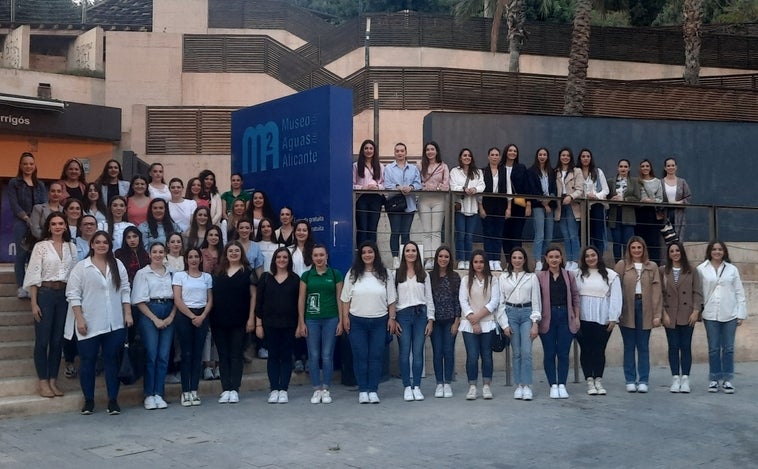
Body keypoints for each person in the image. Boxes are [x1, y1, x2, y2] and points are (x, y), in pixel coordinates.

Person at [65, 231, 133, 415]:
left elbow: (125, 290)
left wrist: (127, 313)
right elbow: (73, 294)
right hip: (89, 321)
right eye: (98, 242)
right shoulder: (82, 267)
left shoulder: (117, 265)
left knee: (112, 361)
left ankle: (113, 400)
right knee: (88, 361)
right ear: (92, 245)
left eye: (105, 242)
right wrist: (79, 319)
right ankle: (88, 401)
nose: (102, 245)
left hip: (115, 322)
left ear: (110, 245)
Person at [23, 212, 78, 398]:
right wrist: (33, 303)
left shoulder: (71, 247)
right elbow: (33, 275)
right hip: (45, 294)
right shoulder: (41, 247)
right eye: (53, 223)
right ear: (49, 226)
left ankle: (53, 381)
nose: (57, 226)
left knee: (57, 341)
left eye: (60, 223)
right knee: (43, 340)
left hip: (63, 295)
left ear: (65, 226)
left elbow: (75, 275)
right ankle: (43, 381)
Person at [340, 241, 398, 404]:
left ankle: (373, 390)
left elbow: (391, 299)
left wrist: (392, 318)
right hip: (357, 322)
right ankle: (363, 389)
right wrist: (345, 318)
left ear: (375, 254)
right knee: (360, 356)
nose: (367, 255)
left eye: (370, 252)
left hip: (380, 321)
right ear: (360, 255)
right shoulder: (353, 273)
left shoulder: (385, 273)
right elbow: (345, 298)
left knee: (376, 356)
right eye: (364, 252)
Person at [614, 236, 662, 393]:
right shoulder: (622, 265)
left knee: (643, 346)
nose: (636, 250)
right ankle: (629, 379)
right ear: (629, 249)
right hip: (627, 307)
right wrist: (616, 311)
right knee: (629, 346)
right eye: (633, 248)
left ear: (644, 249)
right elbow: (615, 289)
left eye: (639, 247)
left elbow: (657, 291)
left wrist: (657, 314)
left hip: (646, 307)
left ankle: (643, 380)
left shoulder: (652, 266)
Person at [697, 241, 747, 394]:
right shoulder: (701, 269)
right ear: (709, 251)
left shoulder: (732, 269)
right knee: (713, 348)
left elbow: (739, 292)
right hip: (710, 313)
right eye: (714, 249)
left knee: (729, 348)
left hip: (729, 313)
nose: (717, 252)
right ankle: (714, 379)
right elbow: (697, 291)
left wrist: (741, 313)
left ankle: (727, 379)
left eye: (720, 249)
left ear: (724, 252)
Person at [297, 244, 344, 404]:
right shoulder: (306, 276)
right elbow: (301, 300)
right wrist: (301, 322)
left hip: (331, 319)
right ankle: (316, 389)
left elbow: (340, 298)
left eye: (321, 255)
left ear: (326, 256)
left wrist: (341, 320)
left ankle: (326, 389)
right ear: (312, 257)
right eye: (316, 255)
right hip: (312, 319)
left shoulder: (335, 274)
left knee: (327, 355)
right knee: (314, 355)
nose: (319, 258)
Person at [131, 242, 176, 410]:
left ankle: (159, 392)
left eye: (161, 252)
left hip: (169, 310)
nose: (158, 255)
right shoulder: (143, 273)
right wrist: (155, 319)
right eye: (154, 252)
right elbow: (138, 300)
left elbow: (178, 296)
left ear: (165, 254)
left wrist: (171, 316)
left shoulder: (172, 273)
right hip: (150, 311)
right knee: (152, 354)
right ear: (149, 254)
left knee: (164, 355)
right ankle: (149, 394)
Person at [212, 241, 257, 404]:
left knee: (236, 355)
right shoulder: (218, 272)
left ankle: (235, 389)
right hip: (219, 320)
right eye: (230, 251)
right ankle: (226, 389)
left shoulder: (248, 272)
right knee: (223, 356)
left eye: (236, 250)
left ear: (241, 253)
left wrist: (251, 318)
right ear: (226, 253)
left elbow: (253, 296)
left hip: (240, 320)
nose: (233, 253)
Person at [459, 249, 506, 400]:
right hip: (469, 324)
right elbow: (463, 301)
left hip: (487, 323)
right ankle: (472, 387)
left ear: (485, 263)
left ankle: (486, 386)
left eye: (481, 262)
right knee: (472, 356)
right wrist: (473, 321)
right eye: (476, 262)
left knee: (487, 355)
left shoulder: (493, 280)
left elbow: (494, 302)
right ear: (472, 263)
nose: (479, 265)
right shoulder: (466, 280)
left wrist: (478, 317)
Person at [256, 247, 300, 404]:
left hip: (289, 324)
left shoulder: (295, 279)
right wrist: (258, 324)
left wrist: (299, 325)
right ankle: (274, 389)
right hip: (270, 324)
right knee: (273, 357)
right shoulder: (266, 278)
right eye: (279, 257)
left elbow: (298, 304)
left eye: (285, 257)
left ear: (289, 260)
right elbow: (259, 303)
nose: (282, 260)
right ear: (274, 259)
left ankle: (284, 389)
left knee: (286, 357)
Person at [575, 245, 622, 396]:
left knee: (599, 350)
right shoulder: (576, 275)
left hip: (603, 318)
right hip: (583, 318)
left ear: (598, 256)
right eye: (587, 256)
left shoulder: (611, 275)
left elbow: (616, 298)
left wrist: (613, 318)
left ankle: (598, 380)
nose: (590, 258)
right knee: (586, 350)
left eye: (593, 255)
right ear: (583, 259)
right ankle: (589, 379)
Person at [393, 241, 435, 401]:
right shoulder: (396, 274)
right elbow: (393, 298)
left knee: (418, 352)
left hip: (420, 315)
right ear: (404, 254)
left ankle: (416, 386)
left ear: (418, 253)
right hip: (402, 315)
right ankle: (406, 387)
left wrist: (430, 320)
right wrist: (393, 319)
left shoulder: (424, 274)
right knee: (404, 352)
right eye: (408, 251)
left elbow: (429, 299)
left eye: (413, 251)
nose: (411, 253)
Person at [537, 245, 580, 399]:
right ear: (546, 259)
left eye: (557, 257)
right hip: (547, 317)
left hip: (565, 317)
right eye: (551, 257)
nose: (554, 260)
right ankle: (552, 385)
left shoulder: (569, 275)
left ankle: (562, 383)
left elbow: (575, 297)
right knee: (549, 353)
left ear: (562, 258)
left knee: (563, 353)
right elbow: (536, 299)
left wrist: (577, 317)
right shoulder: (540, 276)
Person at [499, 247, 541, 401]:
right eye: (514, 257)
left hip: (527, 314)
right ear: (510, 260)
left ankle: (527, 385)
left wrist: (535, 322)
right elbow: (500, 303)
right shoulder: (503, 278)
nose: (517, 260)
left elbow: (536, 301)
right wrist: (504, 324)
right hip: (510, 314)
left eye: (520, 258)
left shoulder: (531, 277)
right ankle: (519, 385)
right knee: (516, 352)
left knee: (527, 352)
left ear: (524, 260)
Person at [172, 247, 213, 406]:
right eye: (191, 257)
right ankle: (185, 391)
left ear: (200, 259)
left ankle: (194, 390)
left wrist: (202, 316)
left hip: (202, 316)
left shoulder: (207, 277)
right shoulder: (180, 276)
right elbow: (177, 299)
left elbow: (210, 299)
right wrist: (191, 316)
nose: (194, 259)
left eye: (196, 256)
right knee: (186, 354)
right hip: (185, 316)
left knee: (197, 354)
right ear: (186, 259)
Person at [660, 241, 702, 393]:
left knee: (685, 346)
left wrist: (696, 311)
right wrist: (663, 313)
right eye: (672, 251)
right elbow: (660, 294)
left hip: (687, 313)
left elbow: (697, 292)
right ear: (668, 254)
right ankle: (675, 378)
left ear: (682, 252)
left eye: (677, 250)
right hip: (670, 314)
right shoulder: (663, 270)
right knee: (673, 346)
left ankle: (685, 378)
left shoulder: (692, 270)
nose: (675, 253)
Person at [9, 152, 48, 297]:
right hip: (21, 221)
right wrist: (26, 218)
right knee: (21, 254)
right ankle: (21, 287)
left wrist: (37, 221)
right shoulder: (14, 183)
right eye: (25, 164)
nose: (28, 166)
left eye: (31, 164)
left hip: (37, 223)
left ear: (35, 165)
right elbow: (14, 204)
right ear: (20, 165)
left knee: (35, 255)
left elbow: (44, 204)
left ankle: (32, 286)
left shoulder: (40, 185)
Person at [383, 142, 422, 269]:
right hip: (395, 203)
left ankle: (405, 259)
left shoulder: (413, 168)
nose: (400, 153)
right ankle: (395, 258)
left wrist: (411, 187)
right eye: (397, 151)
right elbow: (387, 184)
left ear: (406, 153)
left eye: (402, 151)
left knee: (406, 233)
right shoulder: (389, 168)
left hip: (409, 204)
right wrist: (398, 187)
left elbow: (418, 183)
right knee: (395, 232)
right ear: (394, 153)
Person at [429, 246, 461, 398]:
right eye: (440, 256)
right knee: (437, 353)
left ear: (450, 259)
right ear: (436, 258)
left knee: (448, 352)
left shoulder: (455, 277)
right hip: (434, 321)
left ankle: (447, 383)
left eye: (446, 256)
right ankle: (439, 383)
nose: (443, 259)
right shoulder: (429, 277)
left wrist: (457, 321)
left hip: (450, 321)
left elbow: (458, 300)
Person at [450, 148, 485, 270]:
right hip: (460, 207)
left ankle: (468, 260)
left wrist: (474, 190)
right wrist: (464, 189)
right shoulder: (455, 171)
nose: (467, 157)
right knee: (460, 235)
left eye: (469, 155)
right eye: (464, 155)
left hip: (473, 207)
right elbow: (453, 185)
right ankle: (461, 259)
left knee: (469, 236)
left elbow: (482, 185)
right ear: (460, 157)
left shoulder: (478, 172)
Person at [417, 141, 450, 269]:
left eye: (432, 149)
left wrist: (435, 187)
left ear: (437, 151)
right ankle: (427, 258)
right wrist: (424, 186)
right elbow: (416, 181)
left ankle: (435, 258)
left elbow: (446, 184)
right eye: (427, 150)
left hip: (439, 200)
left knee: (436, 231)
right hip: (424, 200)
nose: (430, 152)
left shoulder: (443, 166)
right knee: (426, 231)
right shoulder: (420, 166)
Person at [501, 144, 533, 261]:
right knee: (505, 234)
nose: (512, 153)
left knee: (517, 234)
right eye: (510, 150)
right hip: (503, 205)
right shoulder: (500, 167)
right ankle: (509, 261)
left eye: (515, 151)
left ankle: (518, 260)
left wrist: (528, 204)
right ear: (506, 152)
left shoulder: (521, 167)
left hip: (519, 204)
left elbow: (527, 187)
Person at [554, 148, 584, 270]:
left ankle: (575, 261)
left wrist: (571, 196)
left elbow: (580, 189)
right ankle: (569, 261)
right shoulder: (556, 171)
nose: (565, 157)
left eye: (567, 155)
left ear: (571, 157)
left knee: (573, 235)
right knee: (565, 236)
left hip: (572, 205)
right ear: (559, 157)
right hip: (560, 206)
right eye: (563, 155)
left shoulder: (577, 171)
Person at [528, 147, 556, 271]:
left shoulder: (551, 171)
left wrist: (549, 200)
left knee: (549, 236)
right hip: (538, 205)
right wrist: (544, 203)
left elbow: (554, 188)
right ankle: (538, 260)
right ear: (537, 156)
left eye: (545, 154)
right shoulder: (532, 171)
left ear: (547, 156)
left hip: (550, 205)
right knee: (540, 234)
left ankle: (546, 259)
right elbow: (533, 188)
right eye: (540, 154)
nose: (542, 156)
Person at [353, 139, 385, 247]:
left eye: (371, 148)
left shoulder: (380, 166)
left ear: (374, 151)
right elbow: (351, 184)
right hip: (361, 197)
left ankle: (372, 253)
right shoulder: (356, 166)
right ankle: (360, 253)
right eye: (366, 148)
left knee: (372, 228)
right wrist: (363, 187)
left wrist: (377, 186)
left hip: (376, 198)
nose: (368, 150)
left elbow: (385, 184)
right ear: (362, 150)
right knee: (362, 227)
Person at [607, 159, 640, 263]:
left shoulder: (634, 181)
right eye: (621, 166)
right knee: (616, 242)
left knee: (628, 242)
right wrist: (610, 200)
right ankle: (618, 264)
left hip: (628, 216)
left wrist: (625, 199)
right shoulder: (610, 181)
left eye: (625, 167)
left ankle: (628, 264)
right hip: (614, 215)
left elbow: (638, 198)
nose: (623, 169)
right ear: (618, 168)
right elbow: (605, 197)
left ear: (629, 168)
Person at [577, 149, 609, 255]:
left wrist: (596, 196)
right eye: (583, 156)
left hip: (597, 206)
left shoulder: (598, 172)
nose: (585, 158)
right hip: (581, 207)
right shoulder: (576, 171)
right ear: (580, 158)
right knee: (584, 235)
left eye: (588, 156)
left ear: (591, 158)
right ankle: (585, 259)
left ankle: (599, 259)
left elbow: (606, 190)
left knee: (598, 235)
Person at [479, 147, 506, 271]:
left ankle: (497, 260)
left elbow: (509, 189)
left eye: (497, 155)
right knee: (488, 233)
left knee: (498, 233)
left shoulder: (504, 171)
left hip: (500, 205)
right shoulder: (483, 171)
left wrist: (509, 208)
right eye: (492, 155)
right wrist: (481, 207)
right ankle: (489, 260)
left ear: (499, 157)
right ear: (488, 157)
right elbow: (480, 191)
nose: (495, 157)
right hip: (487, 204)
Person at [636, 159, 663, 264]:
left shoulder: (657, 182)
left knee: (653, 240)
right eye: (642, 166)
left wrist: (651, 201)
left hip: (652, 213)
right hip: (639, 212)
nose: (645, 168)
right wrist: (641, 201)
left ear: (650, 168)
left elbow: (660, 199)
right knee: (640, 240)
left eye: (647, 166)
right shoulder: (636, 181)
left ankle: (655, 264)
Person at [661, 157, 692, 241]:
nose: (671, 167)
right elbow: (657, 198)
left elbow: (688, 197)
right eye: (668, 166)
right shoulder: (660, 182)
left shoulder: (682, 182)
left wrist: (679, 202)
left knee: (678, 239)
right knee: (666, 239)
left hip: (679, 214)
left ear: (676, 167)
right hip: (665, 214)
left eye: (672, 165)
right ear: (665, 168)